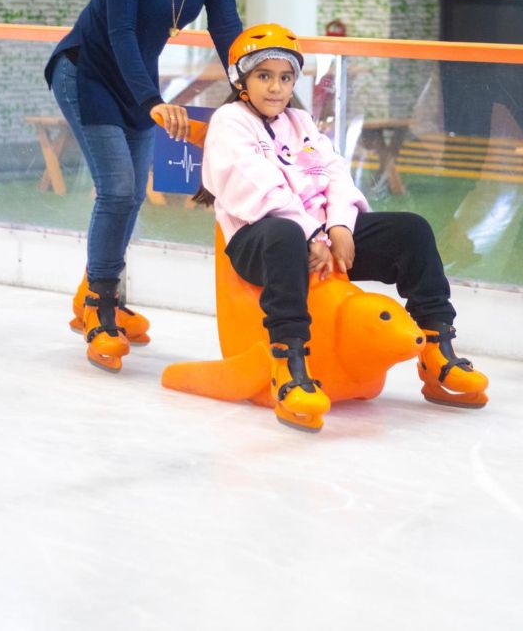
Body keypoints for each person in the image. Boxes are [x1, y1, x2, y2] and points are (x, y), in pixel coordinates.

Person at [200, 23, 489, 430]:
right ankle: (289, 364)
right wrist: (310, 233)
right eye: (264, 76)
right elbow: (258, 190)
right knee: (284, 233)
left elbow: (334, 173)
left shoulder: (300, 121)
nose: (276, 88)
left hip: (321, 235)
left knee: (412, 231)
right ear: (242, 80)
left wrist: (339, 227)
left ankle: (436, 349)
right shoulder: (230, 121)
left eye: (285, 78)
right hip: (260, 239)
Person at [45, 0, 242, 373]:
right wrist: (153, 99)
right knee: (120, 189)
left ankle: (96, 289)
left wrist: (247, 82)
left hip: (135, 80)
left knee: (130, 197)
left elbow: (225, 24)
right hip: (87, 70)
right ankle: (100, 312)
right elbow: (121, 30)